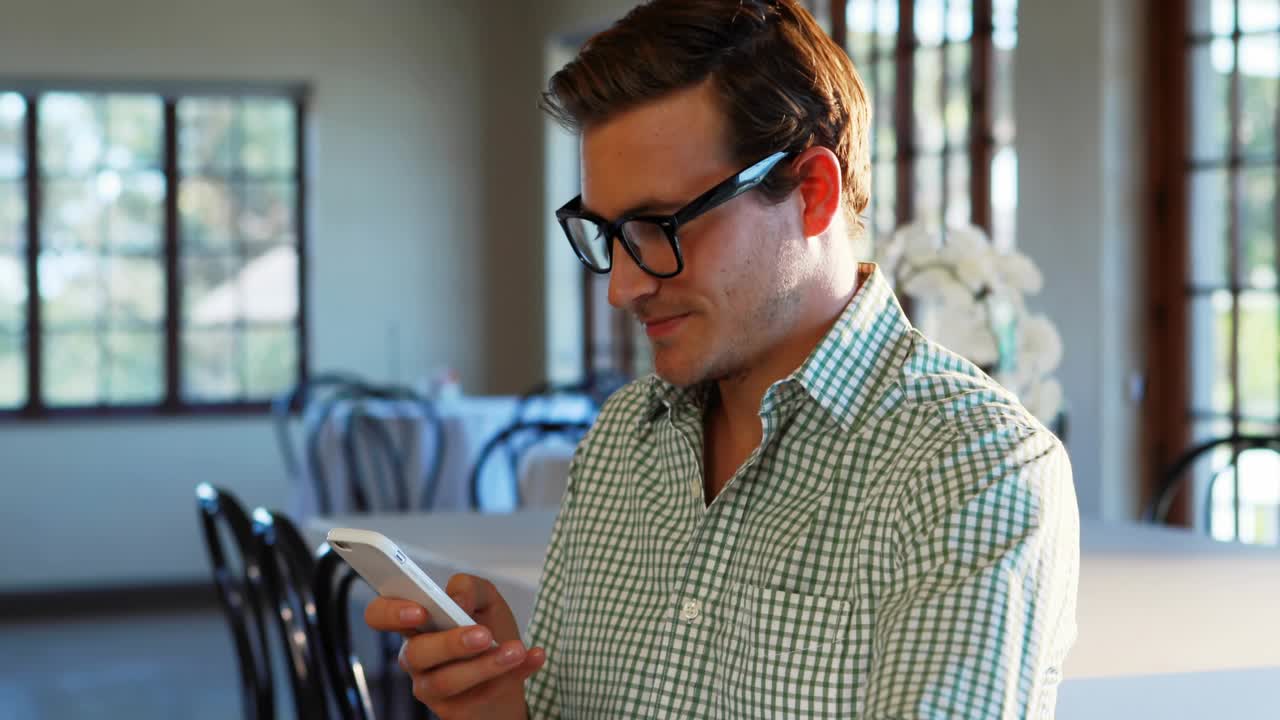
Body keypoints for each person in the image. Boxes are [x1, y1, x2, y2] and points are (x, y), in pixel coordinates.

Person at [364, 1, 1080, 717]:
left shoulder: (973, 470)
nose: (622, 287)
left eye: (660, 225)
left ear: (813, 192)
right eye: (608, 233)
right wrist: (501, 708)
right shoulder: (621, 440)